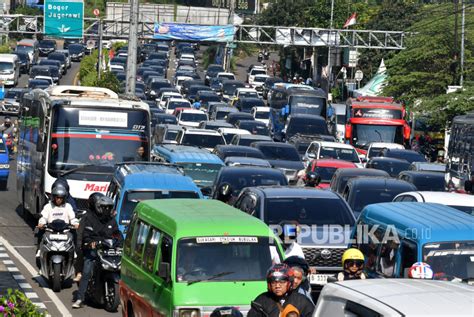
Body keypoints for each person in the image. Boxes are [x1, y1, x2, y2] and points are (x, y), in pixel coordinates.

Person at [72, 193, 123, 309]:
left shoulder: (112, 221)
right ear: (99, 207)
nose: (107, 210)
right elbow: (86, 235)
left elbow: (117, 234)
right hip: (93, 250)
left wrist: (119, 242)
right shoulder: (89, 218)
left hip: (109, 251)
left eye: (109, 207)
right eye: (105, 207)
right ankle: (80, 298)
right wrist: (90, 243)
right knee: (86, 270)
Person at [248, 263, 315, 317]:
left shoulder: (302, 301)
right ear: (269, 284)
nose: (277, 286)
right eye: (273, 282)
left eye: (282, 282)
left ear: (289, 282)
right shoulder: (261, 301)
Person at [36, 185, 79, 266]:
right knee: (41, 237)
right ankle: (39, 251)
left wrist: (75, 223)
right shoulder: (48, 206)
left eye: (61, 198)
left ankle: (74, 255)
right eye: (57, 197)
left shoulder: (68, 206)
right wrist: (41, 223)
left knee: (75, 238)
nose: (59, 200)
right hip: (50, 231)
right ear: (53, 197)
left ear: (64, 198)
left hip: (65, 232)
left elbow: (73, 218)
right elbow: (44, 217)